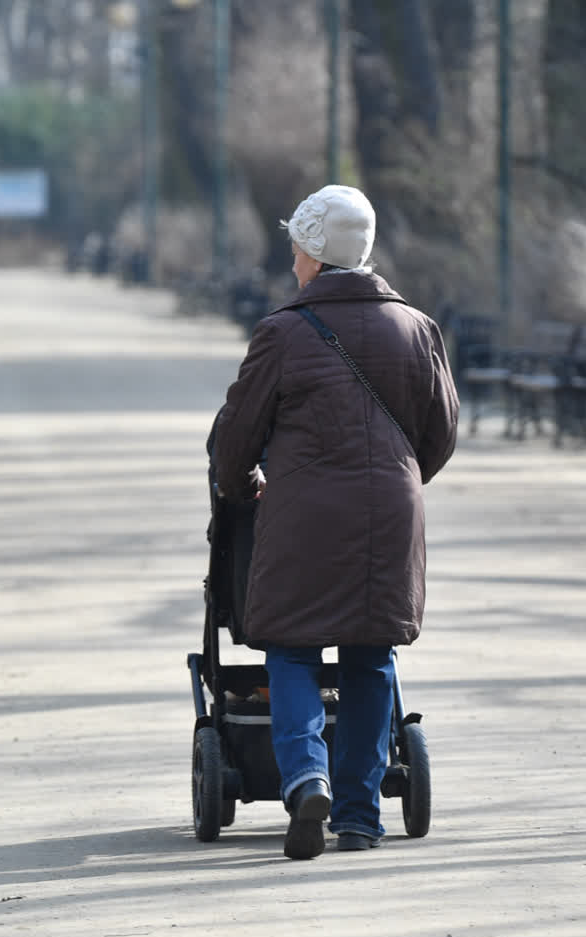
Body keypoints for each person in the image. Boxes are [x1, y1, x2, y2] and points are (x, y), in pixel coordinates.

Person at [210, 184, 459, 860]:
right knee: (371, 654)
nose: (292, 261)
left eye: (297, 248)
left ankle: (306, 776)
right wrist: (397, 482)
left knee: (291, 647)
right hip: (389, 515)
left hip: (300, 515)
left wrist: (242, 488)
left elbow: (234, 440)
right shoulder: (416, 329)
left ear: (316, 255)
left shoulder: (283, 334)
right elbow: (440, 435)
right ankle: (358, 817)